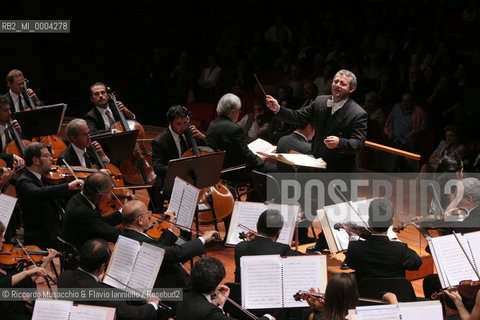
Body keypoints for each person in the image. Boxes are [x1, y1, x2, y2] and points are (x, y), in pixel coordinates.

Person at [266, 69, 368, 173]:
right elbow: (299, 117)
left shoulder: (358, 113)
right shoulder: (320, 101)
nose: (337, 85)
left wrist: (339, 142)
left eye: (342, 83)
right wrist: (278, 109)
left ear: (351, 89)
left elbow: (359, 144)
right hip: (317, 164)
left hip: (340, 169)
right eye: (335, 81)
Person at [57, 238, 162, 320]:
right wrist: (152, 304)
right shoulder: (106, 296)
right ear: (102, 267)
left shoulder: (64, 276)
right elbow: (136, 316)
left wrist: (97, 280)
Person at [16, 142, 83, 249]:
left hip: (57, 234)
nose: (52, 158)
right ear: (36, 160)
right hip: (41, 241)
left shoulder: (45, 178)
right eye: (47, 156)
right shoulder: (24, 181)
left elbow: (58, 193)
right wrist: (67, 186)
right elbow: (38, 193)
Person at [344, 198, 422, 283]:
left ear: (369, 222)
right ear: (392, 222)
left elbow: (351, 263)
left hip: (365, 295)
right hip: (396, 294)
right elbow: (416, 264)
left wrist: (353, 237)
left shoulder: (356, 248)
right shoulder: (400, 249)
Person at [206, 93, 275, 183]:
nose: (239, 113)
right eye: (239, 111)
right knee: (276, 169)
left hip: (219, 170)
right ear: (234, 111)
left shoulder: (213, 124)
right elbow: (246, 156)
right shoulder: (235, 129)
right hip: (236, 171)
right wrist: (260, 159)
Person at [176, 256, 274, 320]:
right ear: (215, 287)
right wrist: (268, 317)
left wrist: (218, 305)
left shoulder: (182, 294)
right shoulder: (210, 313)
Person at [0, 221, 57, 320]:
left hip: (21, 312)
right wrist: (26, 272)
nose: (3, 239)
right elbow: (3, 284)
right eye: (0, 237)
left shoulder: (5, 264)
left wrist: (46, 261)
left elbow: (25, 284)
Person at [61, 172, 132, 249]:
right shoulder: (84, 212)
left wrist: (124, 210)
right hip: (81, 252)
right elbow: (110, 233)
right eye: (109, 192)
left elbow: (101, 223)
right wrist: (137, 232)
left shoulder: (78, 198)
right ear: (99, 195)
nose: (110, 195)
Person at [234, 209, 304, 283]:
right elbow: (311, 257)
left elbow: (259, 248)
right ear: (279, 231)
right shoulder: (282, 250)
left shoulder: (240, 247)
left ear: (257, 225)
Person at [151, 105, 206, 191]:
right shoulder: (159, 141)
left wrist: (203, 137)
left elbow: (207, 149)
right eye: (179, 124)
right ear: (170, 122)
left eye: (185, 123)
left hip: (192, 181)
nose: (183, 127)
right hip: (171, 183)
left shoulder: (190, 133)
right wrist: (179, 170)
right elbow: (158, 167)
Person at [306, 273, 399, 320]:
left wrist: (316, 308)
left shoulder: (313, 317)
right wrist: (393, 298)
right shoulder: (361, 317)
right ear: (354, 295)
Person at [0, 95, 25, 163]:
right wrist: (13, 157)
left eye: (9, 109)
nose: (10, 113)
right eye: (6, 110)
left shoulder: (12, 127)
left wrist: (19, 134)